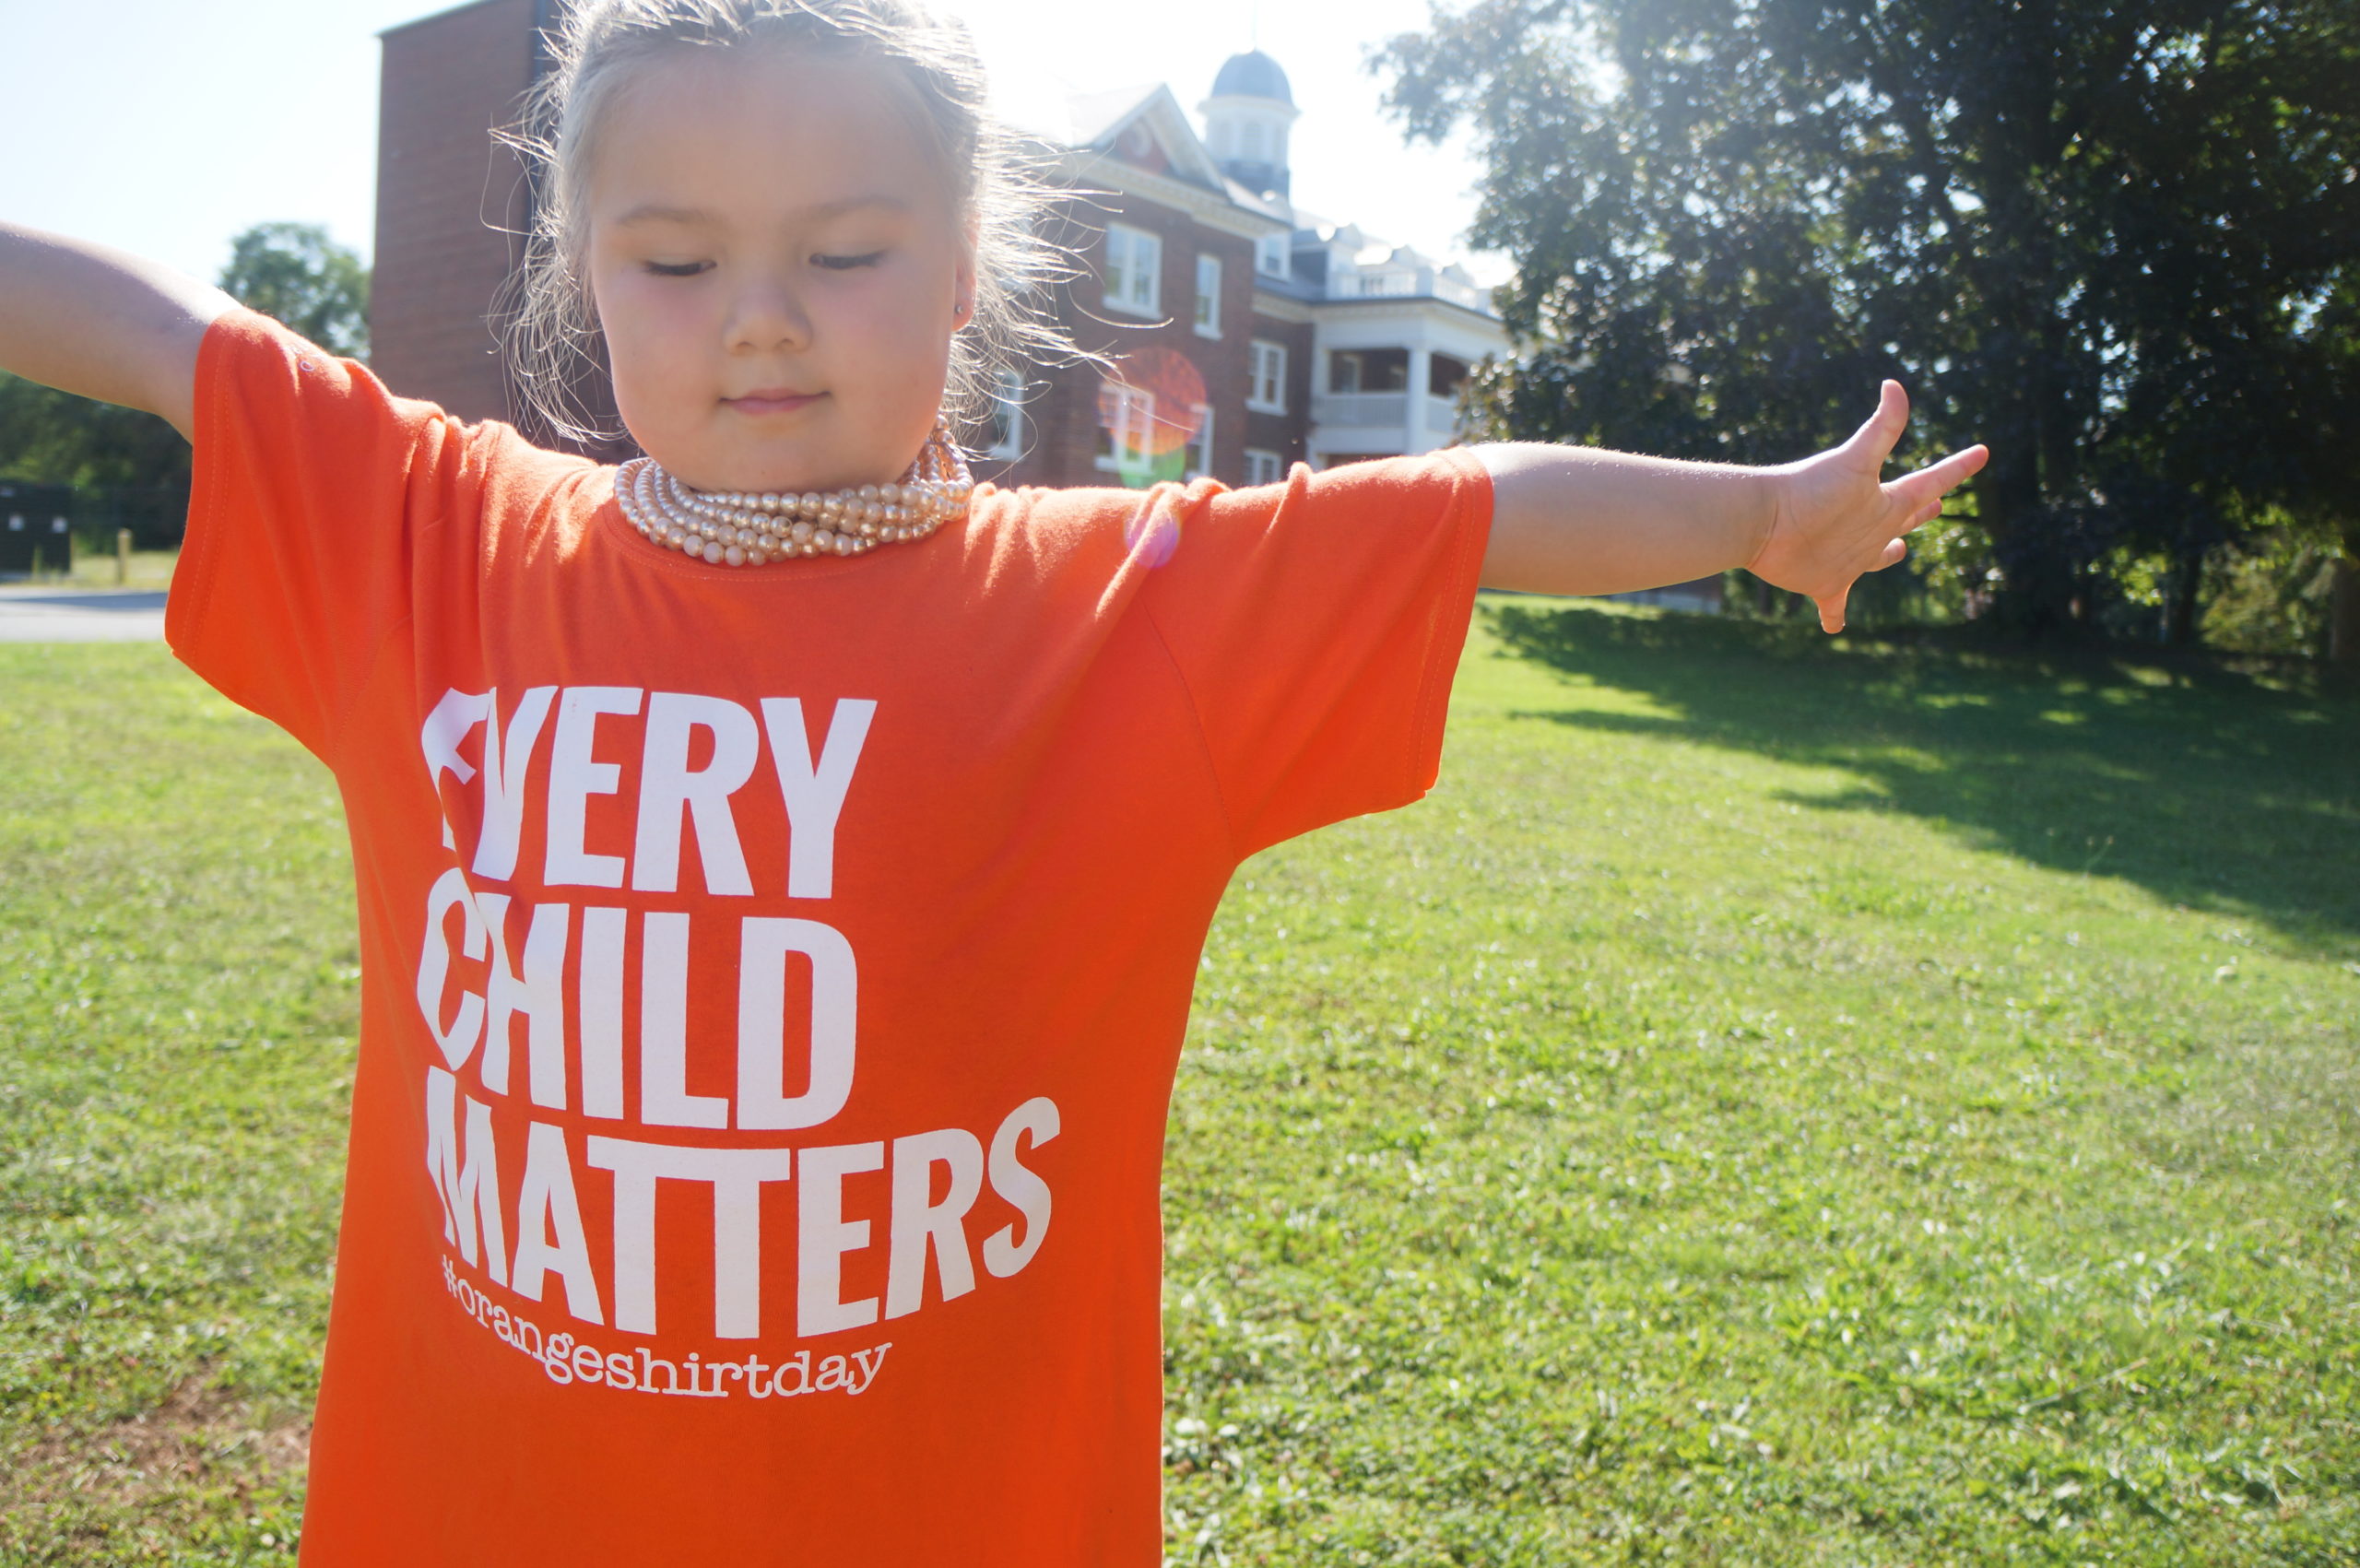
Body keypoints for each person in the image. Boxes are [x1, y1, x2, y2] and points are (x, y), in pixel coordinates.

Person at [0, 1, 1987, 1562]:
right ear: (580, 271)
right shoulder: (439, 540)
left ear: (963, 271)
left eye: (845, 250)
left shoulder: (1116, 605)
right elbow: (168, 337)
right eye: (673, 257)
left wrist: (1755, 512)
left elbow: (1455, 505)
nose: (758, 313)